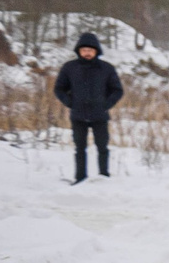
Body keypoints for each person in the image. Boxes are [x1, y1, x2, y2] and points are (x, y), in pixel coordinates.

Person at [53, 30, 124, 182]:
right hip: (78, 115)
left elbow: (117, 90)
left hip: (100, 115)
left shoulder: (106, 68)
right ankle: (80, 178)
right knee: (80, 148)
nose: (87, 53)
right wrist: (70, 102)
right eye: (84, 50)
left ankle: (104, 177)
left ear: (96, 51)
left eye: (90, 50)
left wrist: (106, 104)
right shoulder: (69, 68)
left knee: (102, 148)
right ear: (79, 51)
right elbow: (59, 89)